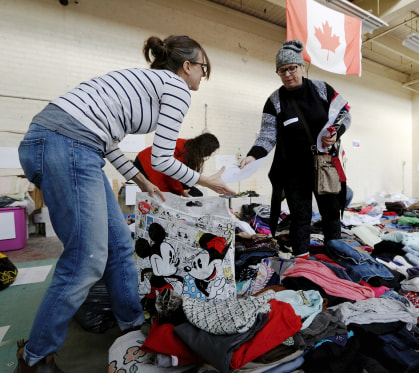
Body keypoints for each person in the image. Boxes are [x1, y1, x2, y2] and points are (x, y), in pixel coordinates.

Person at [15, 35, 234, 371]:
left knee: (119, 246)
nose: (203, 76)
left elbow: (108, 142)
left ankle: (132, 327)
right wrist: (209, 181)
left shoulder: (146, 83)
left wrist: (141, 181)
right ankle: (34, 358)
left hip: (72, 145)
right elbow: (161, 158)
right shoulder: (175, 87)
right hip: (67, 145)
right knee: (85, 261)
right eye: (204, 68)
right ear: (187, 66)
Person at [239, 40, 351, 259]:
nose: (288, 74)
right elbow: (267, 135)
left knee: (330, 213)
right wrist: (253, 155)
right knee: (300, 217)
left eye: (292, 68)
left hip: (324, 164)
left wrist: (337, 133)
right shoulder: (275, 100)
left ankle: (335, 256)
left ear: (302, 67)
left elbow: (344, 113)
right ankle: (303, 262)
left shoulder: (321, 89)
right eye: (282, 70)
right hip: (292, 170)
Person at [133, 132, 220, 197]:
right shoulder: (186, 151)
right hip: (146, 163)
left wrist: (181, 190)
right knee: (164, 195)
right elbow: (172, 174)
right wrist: (181, 191)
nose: (209, 155)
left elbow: (180, 175)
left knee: (194, 193)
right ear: (206, 149)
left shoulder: (188, 146)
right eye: (211, 152)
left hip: (147, 160)